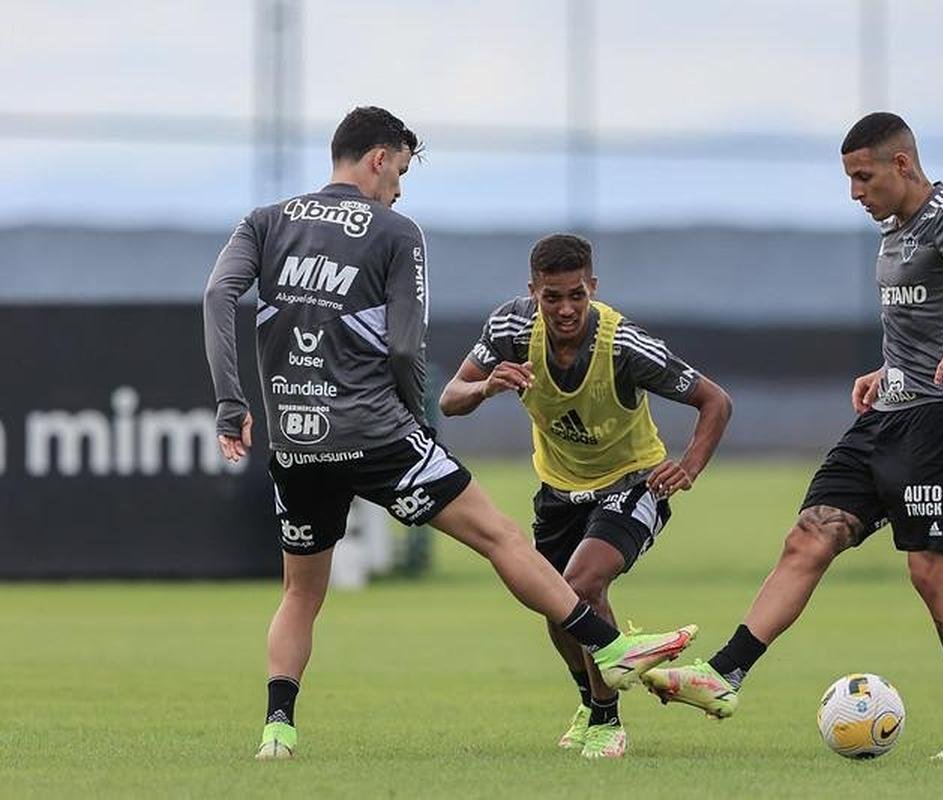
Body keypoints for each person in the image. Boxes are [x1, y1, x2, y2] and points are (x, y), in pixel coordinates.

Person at [202, 106, 697, 761]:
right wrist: (419, 417)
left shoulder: (263, 221)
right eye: (399, 171)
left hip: (297, 443)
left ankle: (277, 731)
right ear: (378, 158)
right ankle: (609, 647)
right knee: (500, 538)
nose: (399, 188)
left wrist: (232, 401)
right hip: (378, 435)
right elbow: (407, 348)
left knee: (300, 592)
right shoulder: (395, 230)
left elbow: (216, 296)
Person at [642, 112, 943, 760]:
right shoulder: (891, 230)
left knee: (929, 572)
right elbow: (918, 321)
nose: (854, 192)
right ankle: (722, 674)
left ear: (901, 164)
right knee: (809, 534)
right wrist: (886, 368)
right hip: (888, 412)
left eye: (862, 176)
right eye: (848, 178)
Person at [439, 233, 732, 758]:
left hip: (632, 483)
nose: (566, 308)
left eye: (577, 294)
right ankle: (597, 698)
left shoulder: (624, 346)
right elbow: (450, 399)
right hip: (557, 489)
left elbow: (715, 401)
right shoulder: (509, 327)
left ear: (592, 287)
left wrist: (687, 467)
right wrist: (486, 387)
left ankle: (607, 720)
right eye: (553, 297)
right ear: (534, 293)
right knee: (555, 608)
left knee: (580, 583)